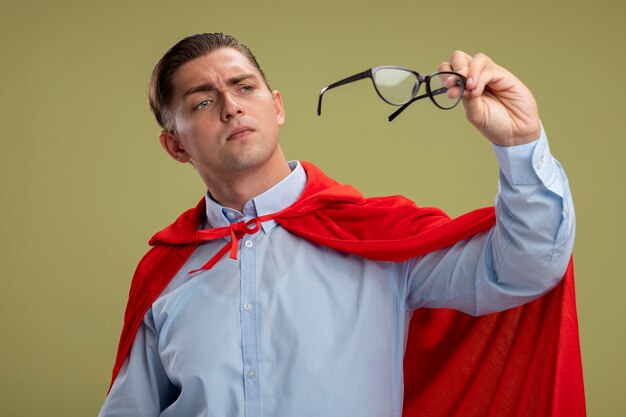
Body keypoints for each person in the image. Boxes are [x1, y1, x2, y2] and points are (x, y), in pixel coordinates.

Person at [99, 33, 579, 417]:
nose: (231, 106)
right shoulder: (164, 272)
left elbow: (526, 267)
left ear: (278, 106)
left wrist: (520, 143)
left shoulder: (376, 239)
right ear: (175, 147)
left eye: (244, 87)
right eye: (202, 102)